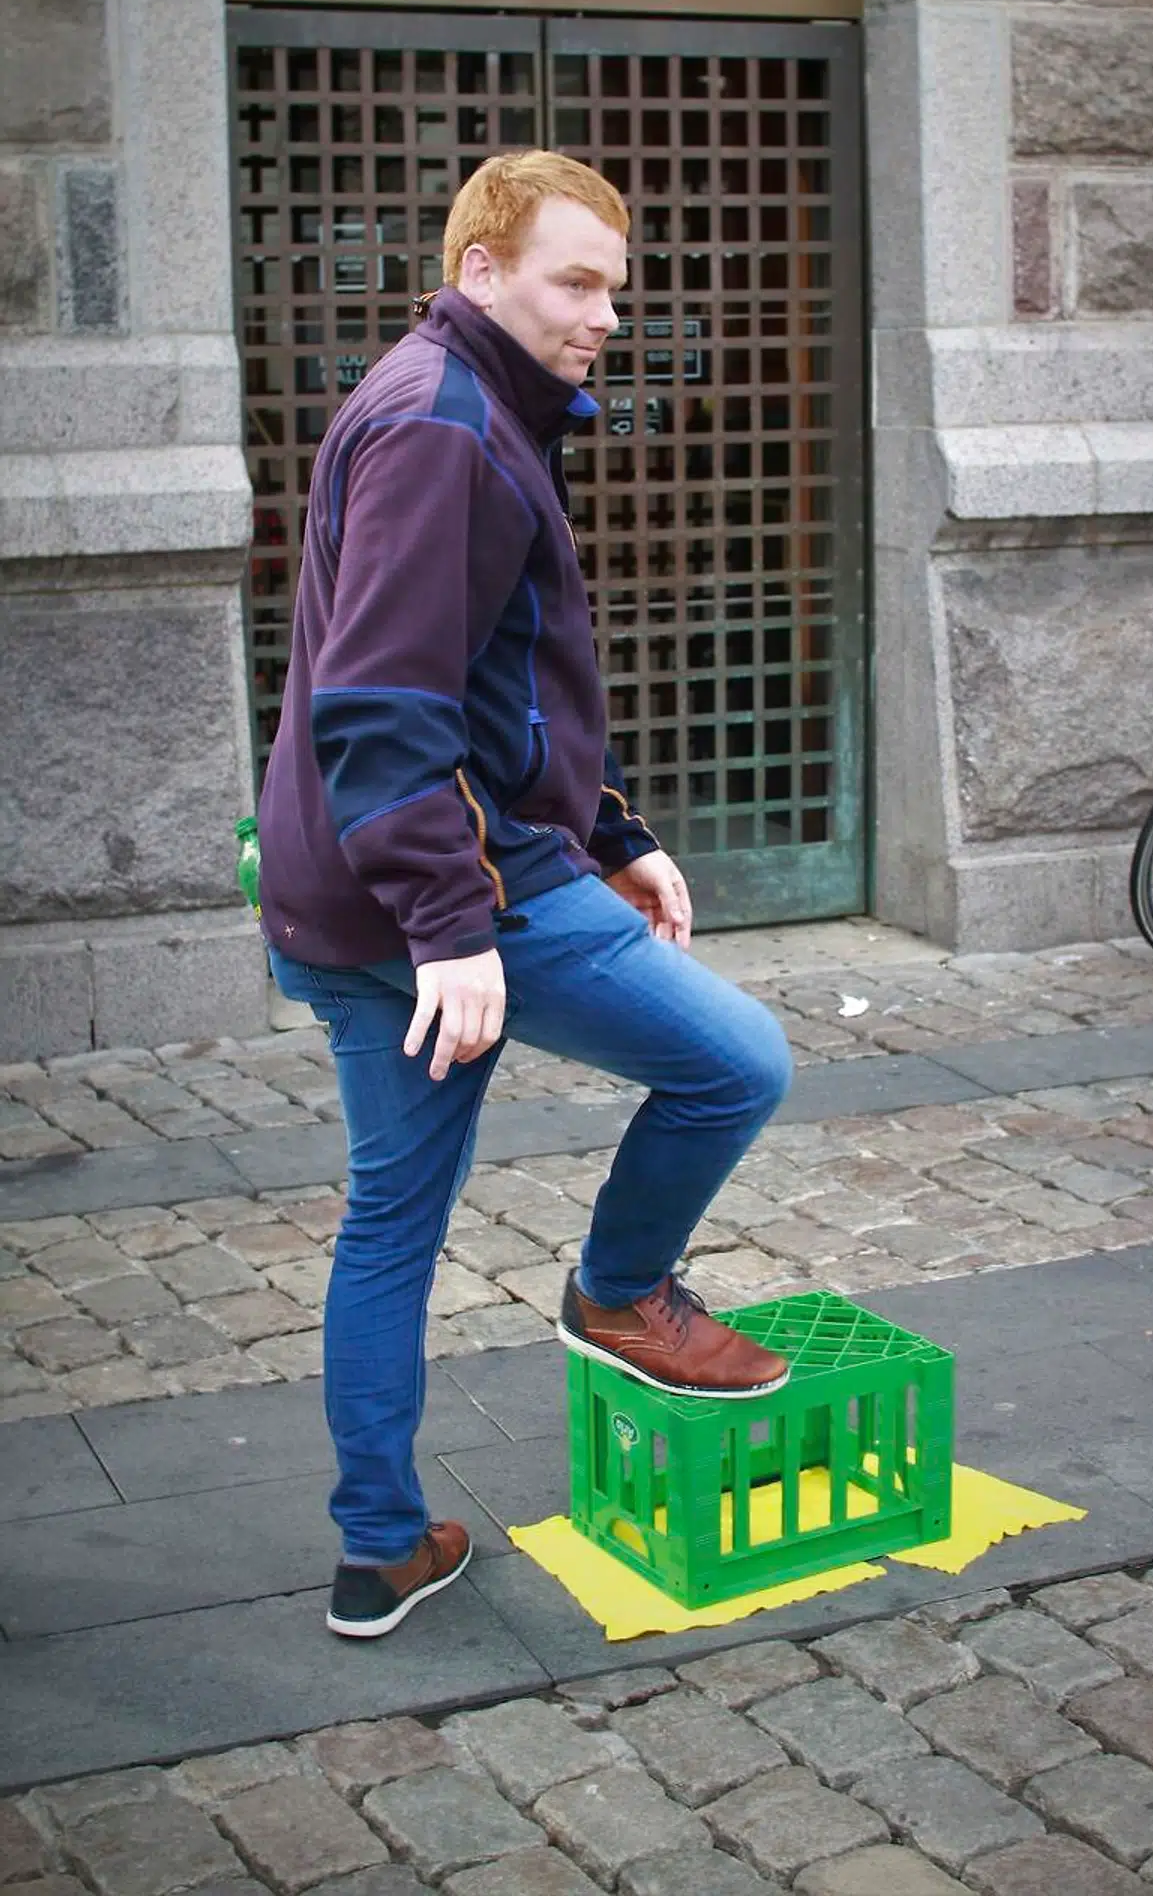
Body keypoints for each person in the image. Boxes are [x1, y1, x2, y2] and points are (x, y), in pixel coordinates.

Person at [258, 150, 794, 1640]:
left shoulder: (460, 401)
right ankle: (622, 1293)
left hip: (357, 887)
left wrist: (614, 827)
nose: (606, 314)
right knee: (739, 1064)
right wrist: (448, 924)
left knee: (388, 1224)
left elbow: (493, 678)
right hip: (446, 888)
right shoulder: (446, 428)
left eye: (617, 287)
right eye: (576, 280)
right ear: (479, 271)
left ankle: (381, 1549)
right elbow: (383, 702)